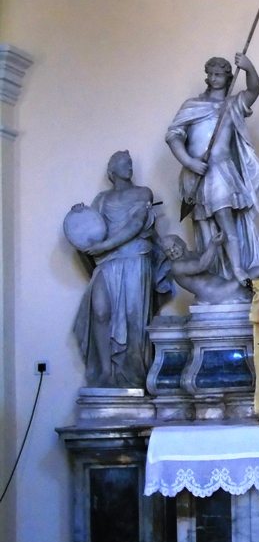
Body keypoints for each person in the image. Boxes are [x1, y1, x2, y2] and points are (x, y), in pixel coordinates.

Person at [165, 53, 259, 285]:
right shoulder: (192, 106)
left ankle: (237, 269)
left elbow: (254, 90)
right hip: (198, 172)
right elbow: (173, 136)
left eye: (219, 74)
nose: (214, 78)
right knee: (206, 227)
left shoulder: (232, 105)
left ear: (228, 77)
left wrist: (249, 68)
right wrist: (189, 162)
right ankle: (219, 273)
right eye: (211, 74)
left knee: (225, 217)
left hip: (221, 171)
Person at [72, 151, 169, 387]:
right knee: (100, 311)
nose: (130, 167)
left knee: (134, 318)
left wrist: (105, 246)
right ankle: (106, 371)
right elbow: (91, 231)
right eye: (124, 163)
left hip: (135, 258)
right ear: (112, 170)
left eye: (130, 163)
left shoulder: (143, 193)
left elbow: (136, 225)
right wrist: (79, 217)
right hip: (108, 262)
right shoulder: (101, 199)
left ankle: (135, 376)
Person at [160, 231, 251, 304]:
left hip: (221, 287)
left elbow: (208, 259)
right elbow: (202, 266)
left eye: (174, 246)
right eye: (167, 250)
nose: (172, 251)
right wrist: (213, 244)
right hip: (216, 293)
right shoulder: (177, 266)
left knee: (251, 281)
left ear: (182, 243)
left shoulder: (192, 255)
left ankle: (251, 292)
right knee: (255, 273)